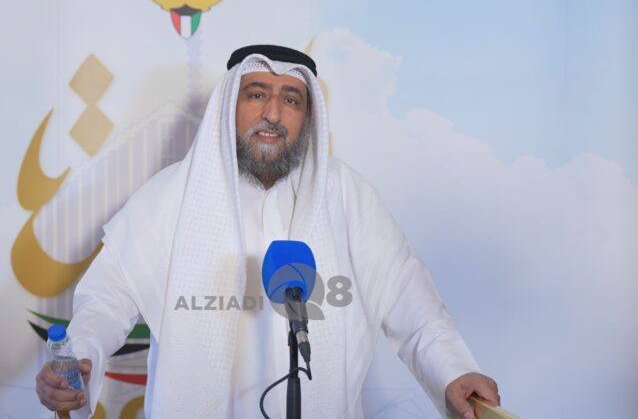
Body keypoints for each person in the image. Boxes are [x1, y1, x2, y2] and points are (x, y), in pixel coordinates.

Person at [36, 45, 500, 419]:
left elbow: (412, 305)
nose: (273, 113)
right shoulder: (172, 194)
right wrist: (81, 357)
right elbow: (106, 299)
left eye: (291, 100)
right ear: (229, 107)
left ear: (308, 117)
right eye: (256, 94)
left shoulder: (347, 195)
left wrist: (454, 372)